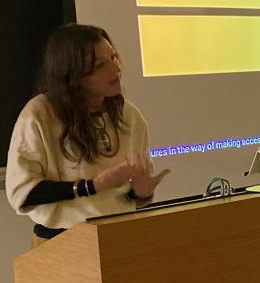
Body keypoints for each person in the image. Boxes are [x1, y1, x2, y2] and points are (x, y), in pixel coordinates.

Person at [5, 23, 170, 247]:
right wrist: (91, 186)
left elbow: (122, 199)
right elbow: (22, 193)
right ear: (74, 76)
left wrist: (140, 192)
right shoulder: (39, 114)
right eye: (100, 65)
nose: (115, 69)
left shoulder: (129, 115)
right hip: (60, 243)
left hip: (120, 237)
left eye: (113, 57)